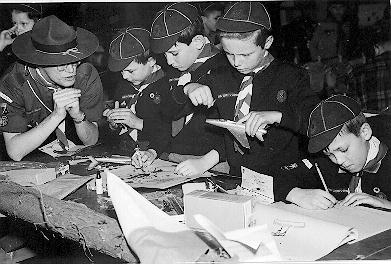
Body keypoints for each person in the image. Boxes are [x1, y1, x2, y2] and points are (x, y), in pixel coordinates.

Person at [181, 2, 320, 182]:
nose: (237, 62)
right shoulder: (219, 77)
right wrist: (189, 87)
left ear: (267, 43)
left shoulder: (292, 77)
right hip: (238, 176)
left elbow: (315, 122)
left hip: (283, 179)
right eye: (229, 54)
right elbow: (224, 133)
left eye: (245, 55)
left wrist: (278, 116)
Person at [0, 15, 103, 161]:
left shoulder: (86, 75)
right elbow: (15, 152)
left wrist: (79, 117)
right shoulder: (13, 83)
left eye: (74, 61)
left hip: (76, 157)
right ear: (40, 62)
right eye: (61, 64)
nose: (71, 70)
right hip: (31, 162)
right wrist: (56, 116)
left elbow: (91, 141)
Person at [140, 2, 227, 175]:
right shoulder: (176, 72)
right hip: (171, 158)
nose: (169, 61)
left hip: (210, 165)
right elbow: (166, 117)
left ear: (198, 42)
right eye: (165, 55)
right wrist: (153, 150)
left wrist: (205, 162)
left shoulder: (224, 70)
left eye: (174, 53)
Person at [283, 95, 391, 210]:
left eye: (343, 150)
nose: (339, 161)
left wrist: (386, 204)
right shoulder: (323, 163)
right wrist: (295, 194)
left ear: (365, 132)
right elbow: (272, 178)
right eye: (329, 154)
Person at [103, 27, 176, 166]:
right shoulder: (123, 85)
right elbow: (116, 131)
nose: (124, 76)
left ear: (151, 61)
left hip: (157, 155)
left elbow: (170, 129)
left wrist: (137, 123)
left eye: (130, 71)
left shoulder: (168, 85)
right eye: (121, 71)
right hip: (125, 154)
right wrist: (114, 124)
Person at [0, 4, 43, 75]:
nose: (18, 28)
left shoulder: (45, 48)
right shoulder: (12, 51)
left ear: (38, 23)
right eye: (15, 23)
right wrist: (1, 45)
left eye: (23, 23)